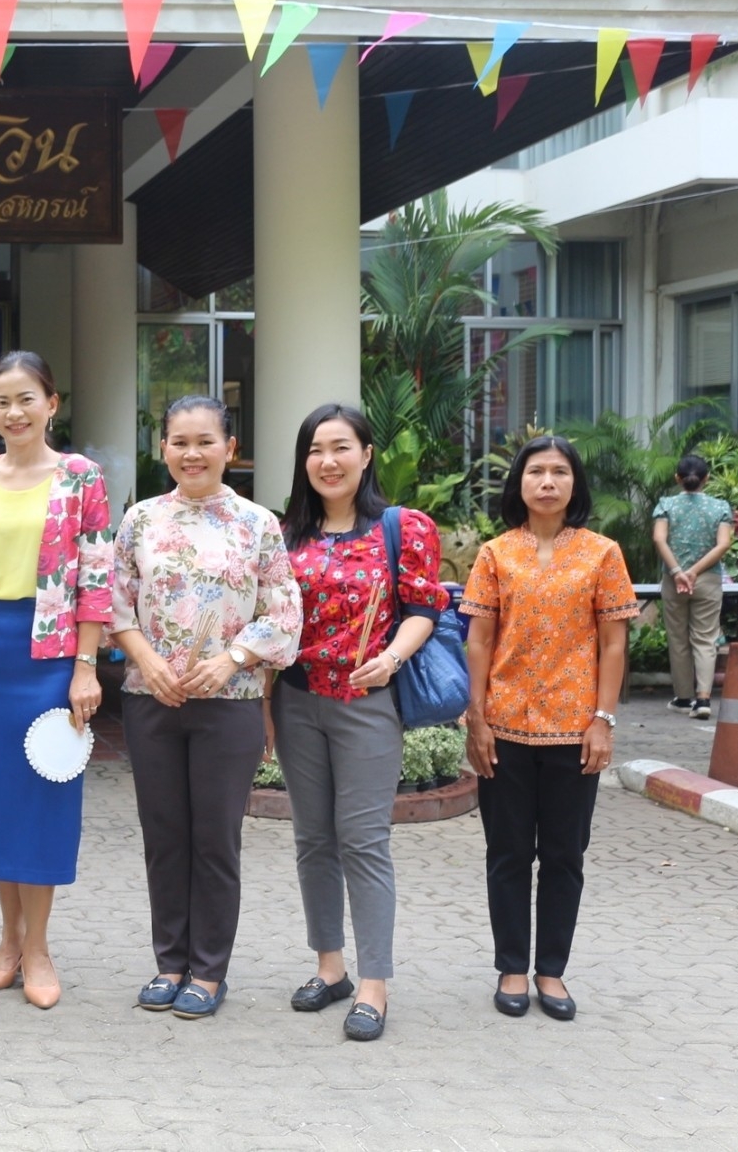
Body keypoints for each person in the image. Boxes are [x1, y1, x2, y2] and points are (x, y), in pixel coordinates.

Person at [110, 394, 301, 1021]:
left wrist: (232, 660)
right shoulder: (140, 520)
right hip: (153, 700)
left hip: (230, 703)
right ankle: (170, 962)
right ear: (163, 448)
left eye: (205, 442)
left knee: (215, 838)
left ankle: (210, 970)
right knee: (164, 836)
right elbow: (114, 604)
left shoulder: (258, 524)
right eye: (179, 442)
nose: (191, 454)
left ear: (230, 449)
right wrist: (148, 661)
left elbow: (284, 612)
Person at [0, 352, 112, 1011]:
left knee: (42, 801)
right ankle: (7, 940)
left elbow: (96, 577)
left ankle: (38, 947)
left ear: (52, 403)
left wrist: (85, 666)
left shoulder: (80, 476)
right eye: (2, 401)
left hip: (51, 655)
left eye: (26, 399)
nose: (15, 412)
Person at [273, 404, 450, 1042]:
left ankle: (375, 982)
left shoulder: (402, 527)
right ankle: (331, 968)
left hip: (367, 700)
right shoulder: (286, 534)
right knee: (312, 838)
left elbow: (424, 607)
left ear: (367, 454)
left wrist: (392, 658)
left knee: (363, 839)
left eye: (341, 447)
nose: (328, 461)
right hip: (296, 699)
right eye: (315, 450)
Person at [462, 434, 637, 1022]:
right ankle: (512, 966)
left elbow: (613, 645)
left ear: (574, 483)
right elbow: (479, 640)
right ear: (519, 483)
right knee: (508, 853)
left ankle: (551, 971)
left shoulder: (602, 554)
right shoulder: (494, 554)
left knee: (564, 855)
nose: (547, 482)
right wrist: (476, 717)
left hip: (575, 732)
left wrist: (603, 720)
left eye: (560, 472)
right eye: (536, 471)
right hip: (504, 730)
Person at [652, 454, 734, 720]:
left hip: (674, 581)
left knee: (678, 638)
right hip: (707, 579)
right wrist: (694, 571)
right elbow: (723, 544)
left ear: (677, 478)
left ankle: (684, 697)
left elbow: (659, 539)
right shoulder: (720, 507)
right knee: (705, 639)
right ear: (706, 478)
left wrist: (678, 572)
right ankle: (703, 700)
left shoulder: (666, 505)